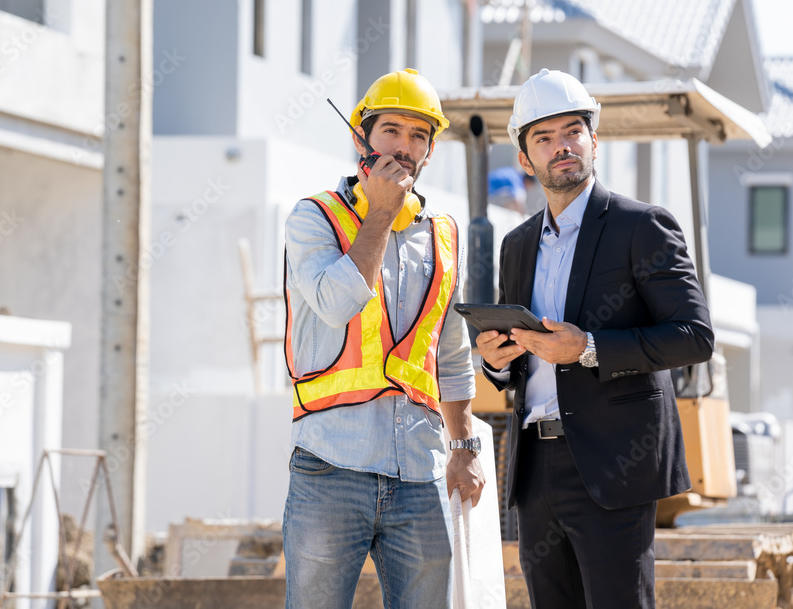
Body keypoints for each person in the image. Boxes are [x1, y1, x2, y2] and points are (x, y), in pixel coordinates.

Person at [477, 68, 714, 609]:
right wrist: (496, 362)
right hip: (535, 471)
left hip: (614, 466)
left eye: (572, 132)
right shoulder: (516, 246)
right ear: (524, 158)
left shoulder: (641, 226)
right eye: (544, 137)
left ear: (593, 141)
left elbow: (694, 337)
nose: (561, 146)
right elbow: (520, 366)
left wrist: (586, 348)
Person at [282, 68, 486, 609]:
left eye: (419, 135)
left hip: (419, 473)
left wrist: (463, 448)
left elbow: (451, 354)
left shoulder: (443, 235)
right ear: (360, 138)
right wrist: (379, 215)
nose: (405, 146)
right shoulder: (315, 219)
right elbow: (337, 302)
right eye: (391, 130)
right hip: (329, 467)